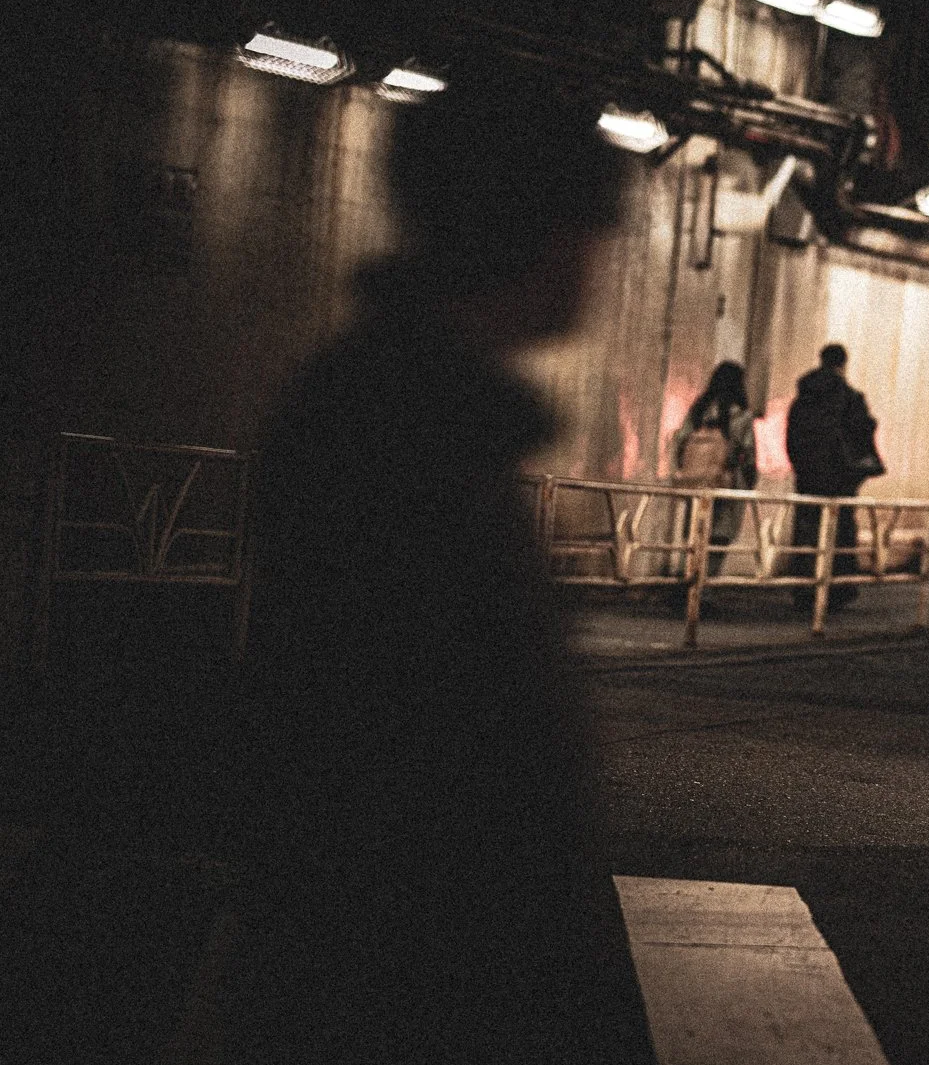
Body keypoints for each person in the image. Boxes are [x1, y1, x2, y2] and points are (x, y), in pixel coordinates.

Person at [225, 75, 655, 1062]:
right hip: (425, 992)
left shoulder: (393, 407)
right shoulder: (410, 439)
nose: (600, 260)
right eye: (597, 229)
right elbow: (422, 771)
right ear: (547, 235)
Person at [783, 342, 881, 611]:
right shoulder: (851, 399)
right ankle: (837, 588)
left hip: (808, 477)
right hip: (841, 480)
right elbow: (862, 435)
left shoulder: (803, 400)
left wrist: (801, 467)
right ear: (842, 364)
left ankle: (804, 587)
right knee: (841, 532)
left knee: (807, 531)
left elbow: (792, 439)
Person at [677, 360, 759, 575]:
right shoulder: (741, 416)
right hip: (726, 483)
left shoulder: (698, 410)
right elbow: (747, 452)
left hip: (696, 481)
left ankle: (687, 582)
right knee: (718, 539)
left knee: (696, 534)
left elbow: (681, 441)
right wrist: (749, 479)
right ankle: (704, 589)